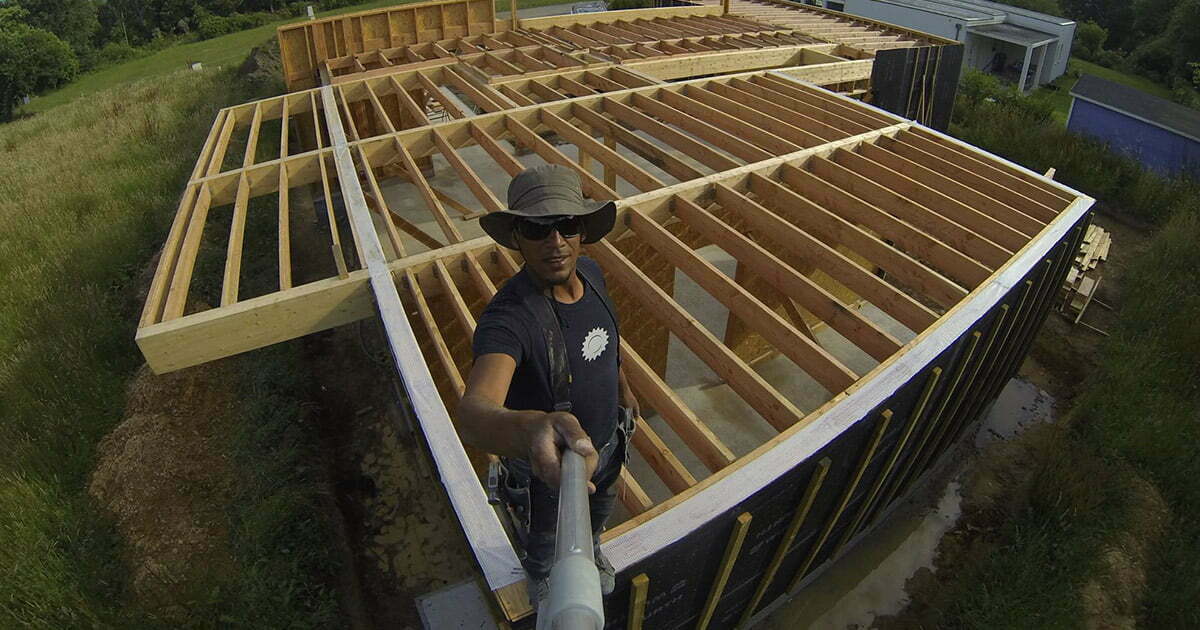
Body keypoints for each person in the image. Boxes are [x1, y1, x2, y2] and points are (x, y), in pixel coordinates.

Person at [455, 164, 639, 608]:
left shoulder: (592, 274)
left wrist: (625, 393)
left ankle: (591, 550)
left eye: (566, 225)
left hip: (607, 442)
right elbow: (475, 414)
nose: (555, 243)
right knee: (545, 535)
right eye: (537, 230)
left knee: (597, 511)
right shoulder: (510, 319)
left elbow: (606, 345)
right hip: (548, 470)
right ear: (516, 236)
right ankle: (541, 579)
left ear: (581, 232)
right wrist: (534, 428)